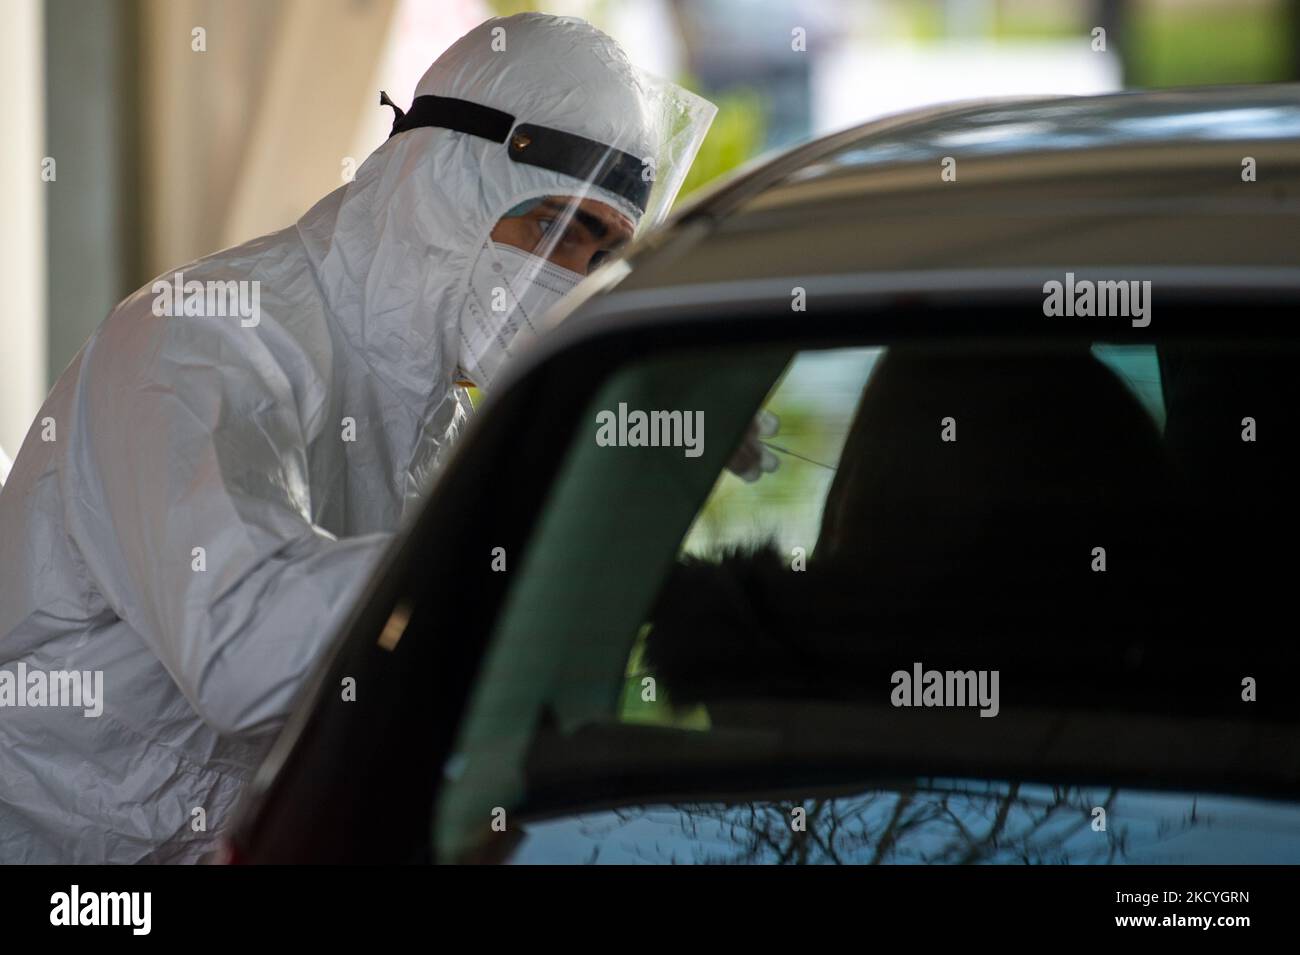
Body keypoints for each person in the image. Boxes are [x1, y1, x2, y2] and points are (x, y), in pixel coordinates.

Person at [0, 13, 715, 863]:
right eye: (555, 227)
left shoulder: (440, 414)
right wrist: (544, 530)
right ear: (445, 183)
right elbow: (246, 649)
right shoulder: (203, 339)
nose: (568, 278)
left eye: (600, 257)